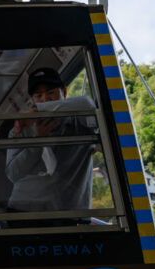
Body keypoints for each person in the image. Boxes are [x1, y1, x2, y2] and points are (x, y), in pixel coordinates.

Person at [6, 66, 97, 217]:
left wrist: (38, 110)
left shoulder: (80, 122)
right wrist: (38, 142)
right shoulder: (21, 129)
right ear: (32, 100)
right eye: (38, 96)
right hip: (25, 210)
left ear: (65, 92)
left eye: (51, 93)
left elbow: (88, 104)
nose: (45, 99)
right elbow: (13, 173)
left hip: (71, 212)